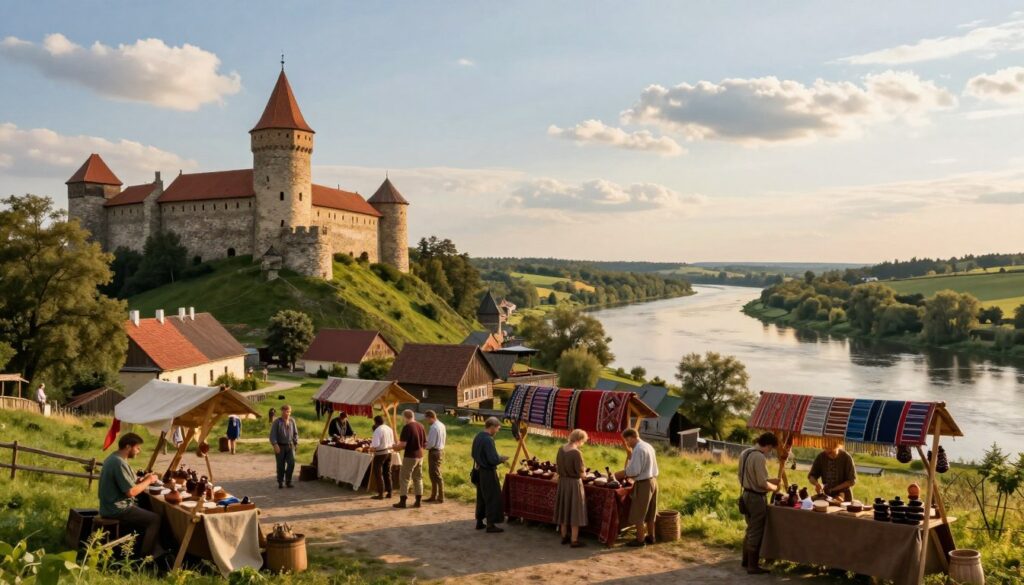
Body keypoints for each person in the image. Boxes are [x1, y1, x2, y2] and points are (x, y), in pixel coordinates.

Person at [98, 433, 165, 558]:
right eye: (137, 447)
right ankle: (146, 557)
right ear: (128, 446)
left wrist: (142, 479)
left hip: (110, 505)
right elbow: (131, 492)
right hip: (116, 508)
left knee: (147, 507)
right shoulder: (118, 463)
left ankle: (158, 548)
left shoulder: (115, 458)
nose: (139, 450)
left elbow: (130, 481)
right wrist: (149, 481)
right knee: (155, 519)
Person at [739, 432, 781, 575]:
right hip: (756, 498)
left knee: (750, 528)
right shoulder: (759, 456)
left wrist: (771, 480)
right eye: (771, 449)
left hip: (745, 494)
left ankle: (745, 560)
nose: (770, 452)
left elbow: (742, 476)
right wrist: (775, 488)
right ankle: (752, 566)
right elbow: (762, 483)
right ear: (768, 445)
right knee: (756, 530)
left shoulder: (745, 453)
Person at [618, 428, 659, 547]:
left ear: (631, 437)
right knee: (651, 512)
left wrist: (621, 473)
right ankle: (651, 536)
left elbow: (635, 471)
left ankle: (640, 540)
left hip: (644, 483)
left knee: (638, 512)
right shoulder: (648, 446)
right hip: (653, 481)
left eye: (627, 440)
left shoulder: (638, 449)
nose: (627, 443)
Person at [472, 417, 507, 532]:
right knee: (492, 497)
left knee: (481, 496)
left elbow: (473, 454)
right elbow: (492, 459)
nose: (497, 431)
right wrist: (501, 459)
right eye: (497, 428)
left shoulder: (478, 436)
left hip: (478, 470)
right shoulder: (488, 440)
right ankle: (490, 525)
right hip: (487, 472)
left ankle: (479, 521)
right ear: (492, 427)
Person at [555, 429, 589, 547]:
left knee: (564, 508)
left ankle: (564, 536)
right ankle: (574, 540)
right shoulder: (576, 453)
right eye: (583, 441)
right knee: (575, 510)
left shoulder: (561, 449)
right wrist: (585, 474)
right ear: (579, 440)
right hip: (574, 484)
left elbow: (558, 467)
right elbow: (581, 473)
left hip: (563, 482)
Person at [393, 409, 426, 509]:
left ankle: (403, 502)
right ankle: (418, 501)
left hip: (410, 456)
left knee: (404, 478)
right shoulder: (421, 426)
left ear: (405, 417)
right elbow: (425, 443)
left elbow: (403, 444)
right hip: (420, 455)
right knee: (418, 478)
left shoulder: (407, 427)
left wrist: (395, 447)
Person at [269, 405, 299, 488]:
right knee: (280, 465)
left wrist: (296, 443)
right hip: (280, 446)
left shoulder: (292, 421)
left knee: (291, 463)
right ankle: (280, 481)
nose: (288, 413)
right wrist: (275, 445)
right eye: (286, 411)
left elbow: (295, 434)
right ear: (282, 411)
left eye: (289, 411)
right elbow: (272, 435)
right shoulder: (277, 422)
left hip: (290, 446)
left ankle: (288, 481)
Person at [423, 410, 447, 503]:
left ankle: (440, 496)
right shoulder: (442, 425)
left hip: (434, 451)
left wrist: (425, 446)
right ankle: (434, 495)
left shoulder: (434, 427)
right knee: (434, 474)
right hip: (440, 450)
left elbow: (431, 443)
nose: (427, 421)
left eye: (427, 419)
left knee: (435, 474)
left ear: (430, 417)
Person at [369, 415, 394, 500]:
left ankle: (381, 494)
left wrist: (369, 448)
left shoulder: (378, 430)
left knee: (378, 473)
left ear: (375, 422)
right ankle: (390, 492)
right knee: (387, 472)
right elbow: (392, 442)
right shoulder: (389, 428)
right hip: (389, 452)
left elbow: (376, 445)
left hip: (380, 454)